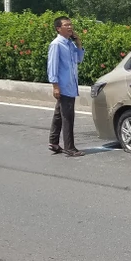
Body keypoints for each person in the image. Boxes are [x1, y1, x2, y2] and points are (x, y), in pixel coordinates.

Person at [47, 16, 85, 157]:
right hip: (63, 86)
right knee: (68, 117)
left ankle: (53, 142)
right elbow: (52, 66)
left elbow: (79, 59)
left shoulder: (70, 44)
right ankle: (70, 148)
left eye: (70, 25)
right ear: (58, 28)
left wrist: (79, 43)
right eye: (66, 25)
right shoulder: (56, 44)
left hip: (70, 85)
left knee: (59, 114)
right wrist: (55, 86)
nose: (70, 27)